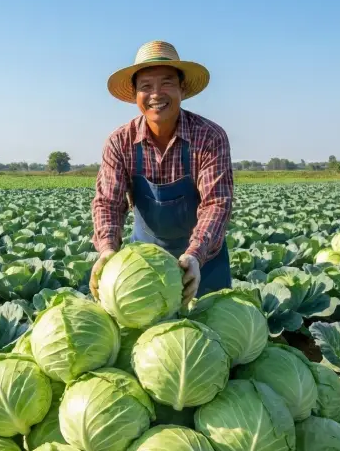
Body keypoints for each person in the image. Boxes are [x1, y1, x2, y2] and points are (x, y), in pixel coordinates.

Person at [90, 40, 234, 304]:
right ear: (135, 95)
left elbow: (216, 204)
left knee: (210, 338)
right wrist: (108, 250)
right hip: (144, 269)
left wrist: (194, 255)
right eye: (146, 86)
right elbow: (108, 202)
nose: (156, 94)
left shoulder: (209, 137)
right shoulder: (120, 141)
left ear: (182, 89)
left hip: (203, 264)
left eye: (167, 83)